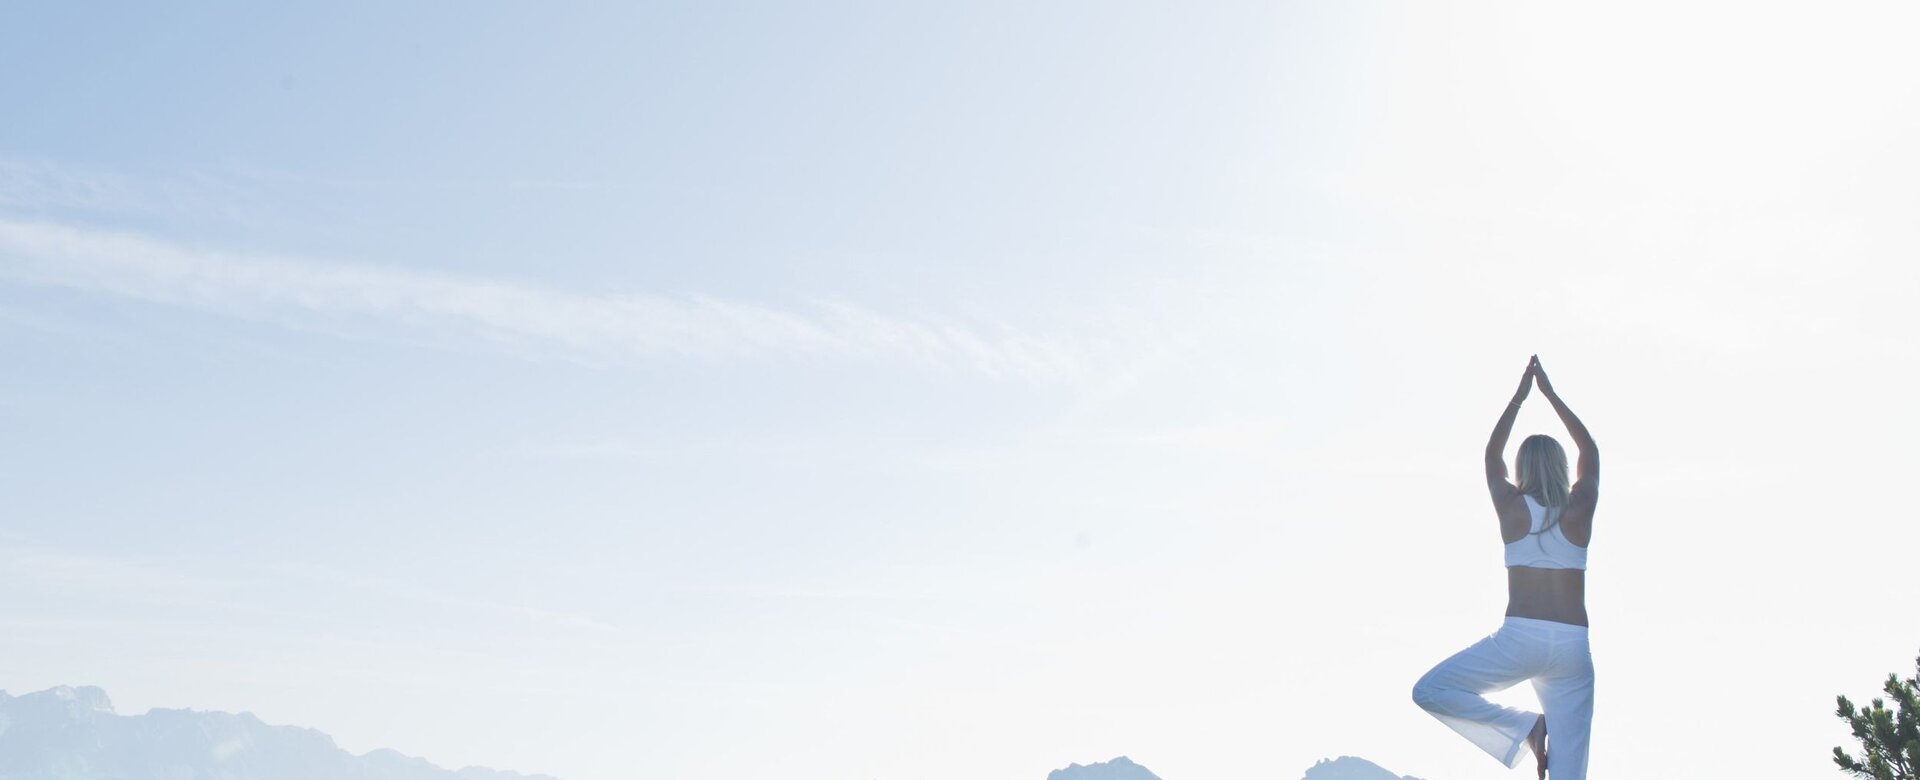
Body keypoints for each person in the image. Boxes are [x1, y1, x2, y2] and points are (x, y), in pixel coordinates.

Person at [1412, 355, 1598, 780]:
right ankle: (1532, 728)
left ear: (1523, 468)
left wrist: (1520, 398)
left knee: (1431, 691)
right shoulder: (1580, 507)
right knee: (1571, 772)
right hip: (1572, 646)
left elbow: (1492, 452)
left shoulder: (1512, 507)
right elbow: (1590, 450)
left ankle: (1525, 726)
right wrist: (1551, 395)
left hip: (1521, 638)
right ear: (1560, 467)